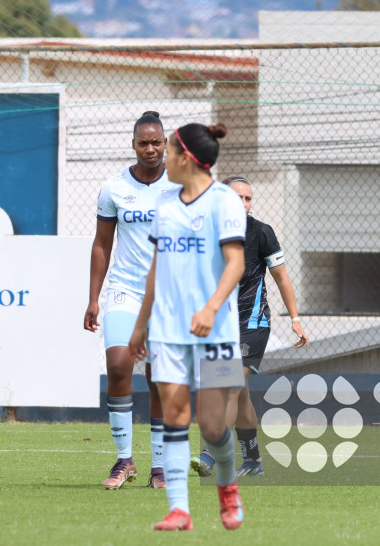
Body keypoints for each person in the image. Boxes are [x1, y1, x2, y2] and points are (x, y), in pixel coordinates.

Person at [129, 122, 247, 531]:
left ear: (186, 158)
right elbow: (156, 269)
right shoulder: (165, 204)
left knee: (214, 427)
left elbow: (236, 263)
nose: (163, 156)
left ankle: (228, 484)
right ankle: (179, 509)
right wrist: (141, 324)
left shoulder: (224, 202)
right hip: (167, 331)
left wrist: (212, 308)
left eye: (170, 150)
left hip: (218, 332)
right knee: (175, 415)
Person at [191, 176, 309, 479]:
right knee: (239, 393)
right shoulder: (206, 232)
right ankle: (253, 460)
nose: (244, 204)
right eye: (237, 198)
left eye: (248, 198)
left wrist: (295, 319)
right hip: (220, 323)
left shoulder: (261, 232)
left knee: (229, 384)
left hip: (253, 323)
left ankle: (210, 453)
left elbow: (282, 278)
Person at [84, 110, 172, 490]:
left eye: (156, 142)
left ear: (166, 144)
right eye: (143, 142)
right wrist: (93, 299)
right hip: (125, 289)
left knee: (160, 379)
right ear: (133, 144)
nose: (150, 148)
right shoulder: (113, 188)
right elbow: (102, 244)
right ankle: (124, 461)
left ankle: (160, 467)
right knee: (119, 365)